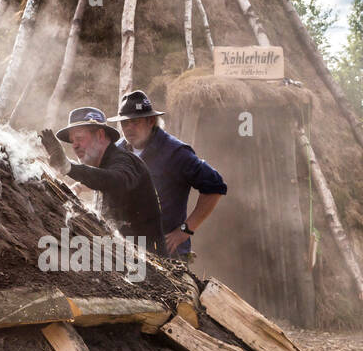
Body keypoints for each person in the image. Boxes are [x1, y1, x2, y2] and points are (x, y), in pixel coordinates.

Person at [111, 90, 226, 257]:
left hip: (167, 255)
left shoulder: (175, 152)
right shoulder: (119, 149)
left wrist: (185, 230)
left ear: (150, 121)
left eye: (134, 122)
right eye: (124, 123)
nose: (128, 128)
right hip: (127, 250)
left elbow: (216, 186)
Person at [40, 107, 166, 254]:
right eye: (72, 141)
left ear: (100, 134)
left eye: (79, 138)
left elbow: (117, 181)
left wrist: (69, 167)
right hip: (123, 259)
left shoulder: (124, 160)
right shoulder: (104, 165)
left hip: (147, 264)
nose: (74, 145)